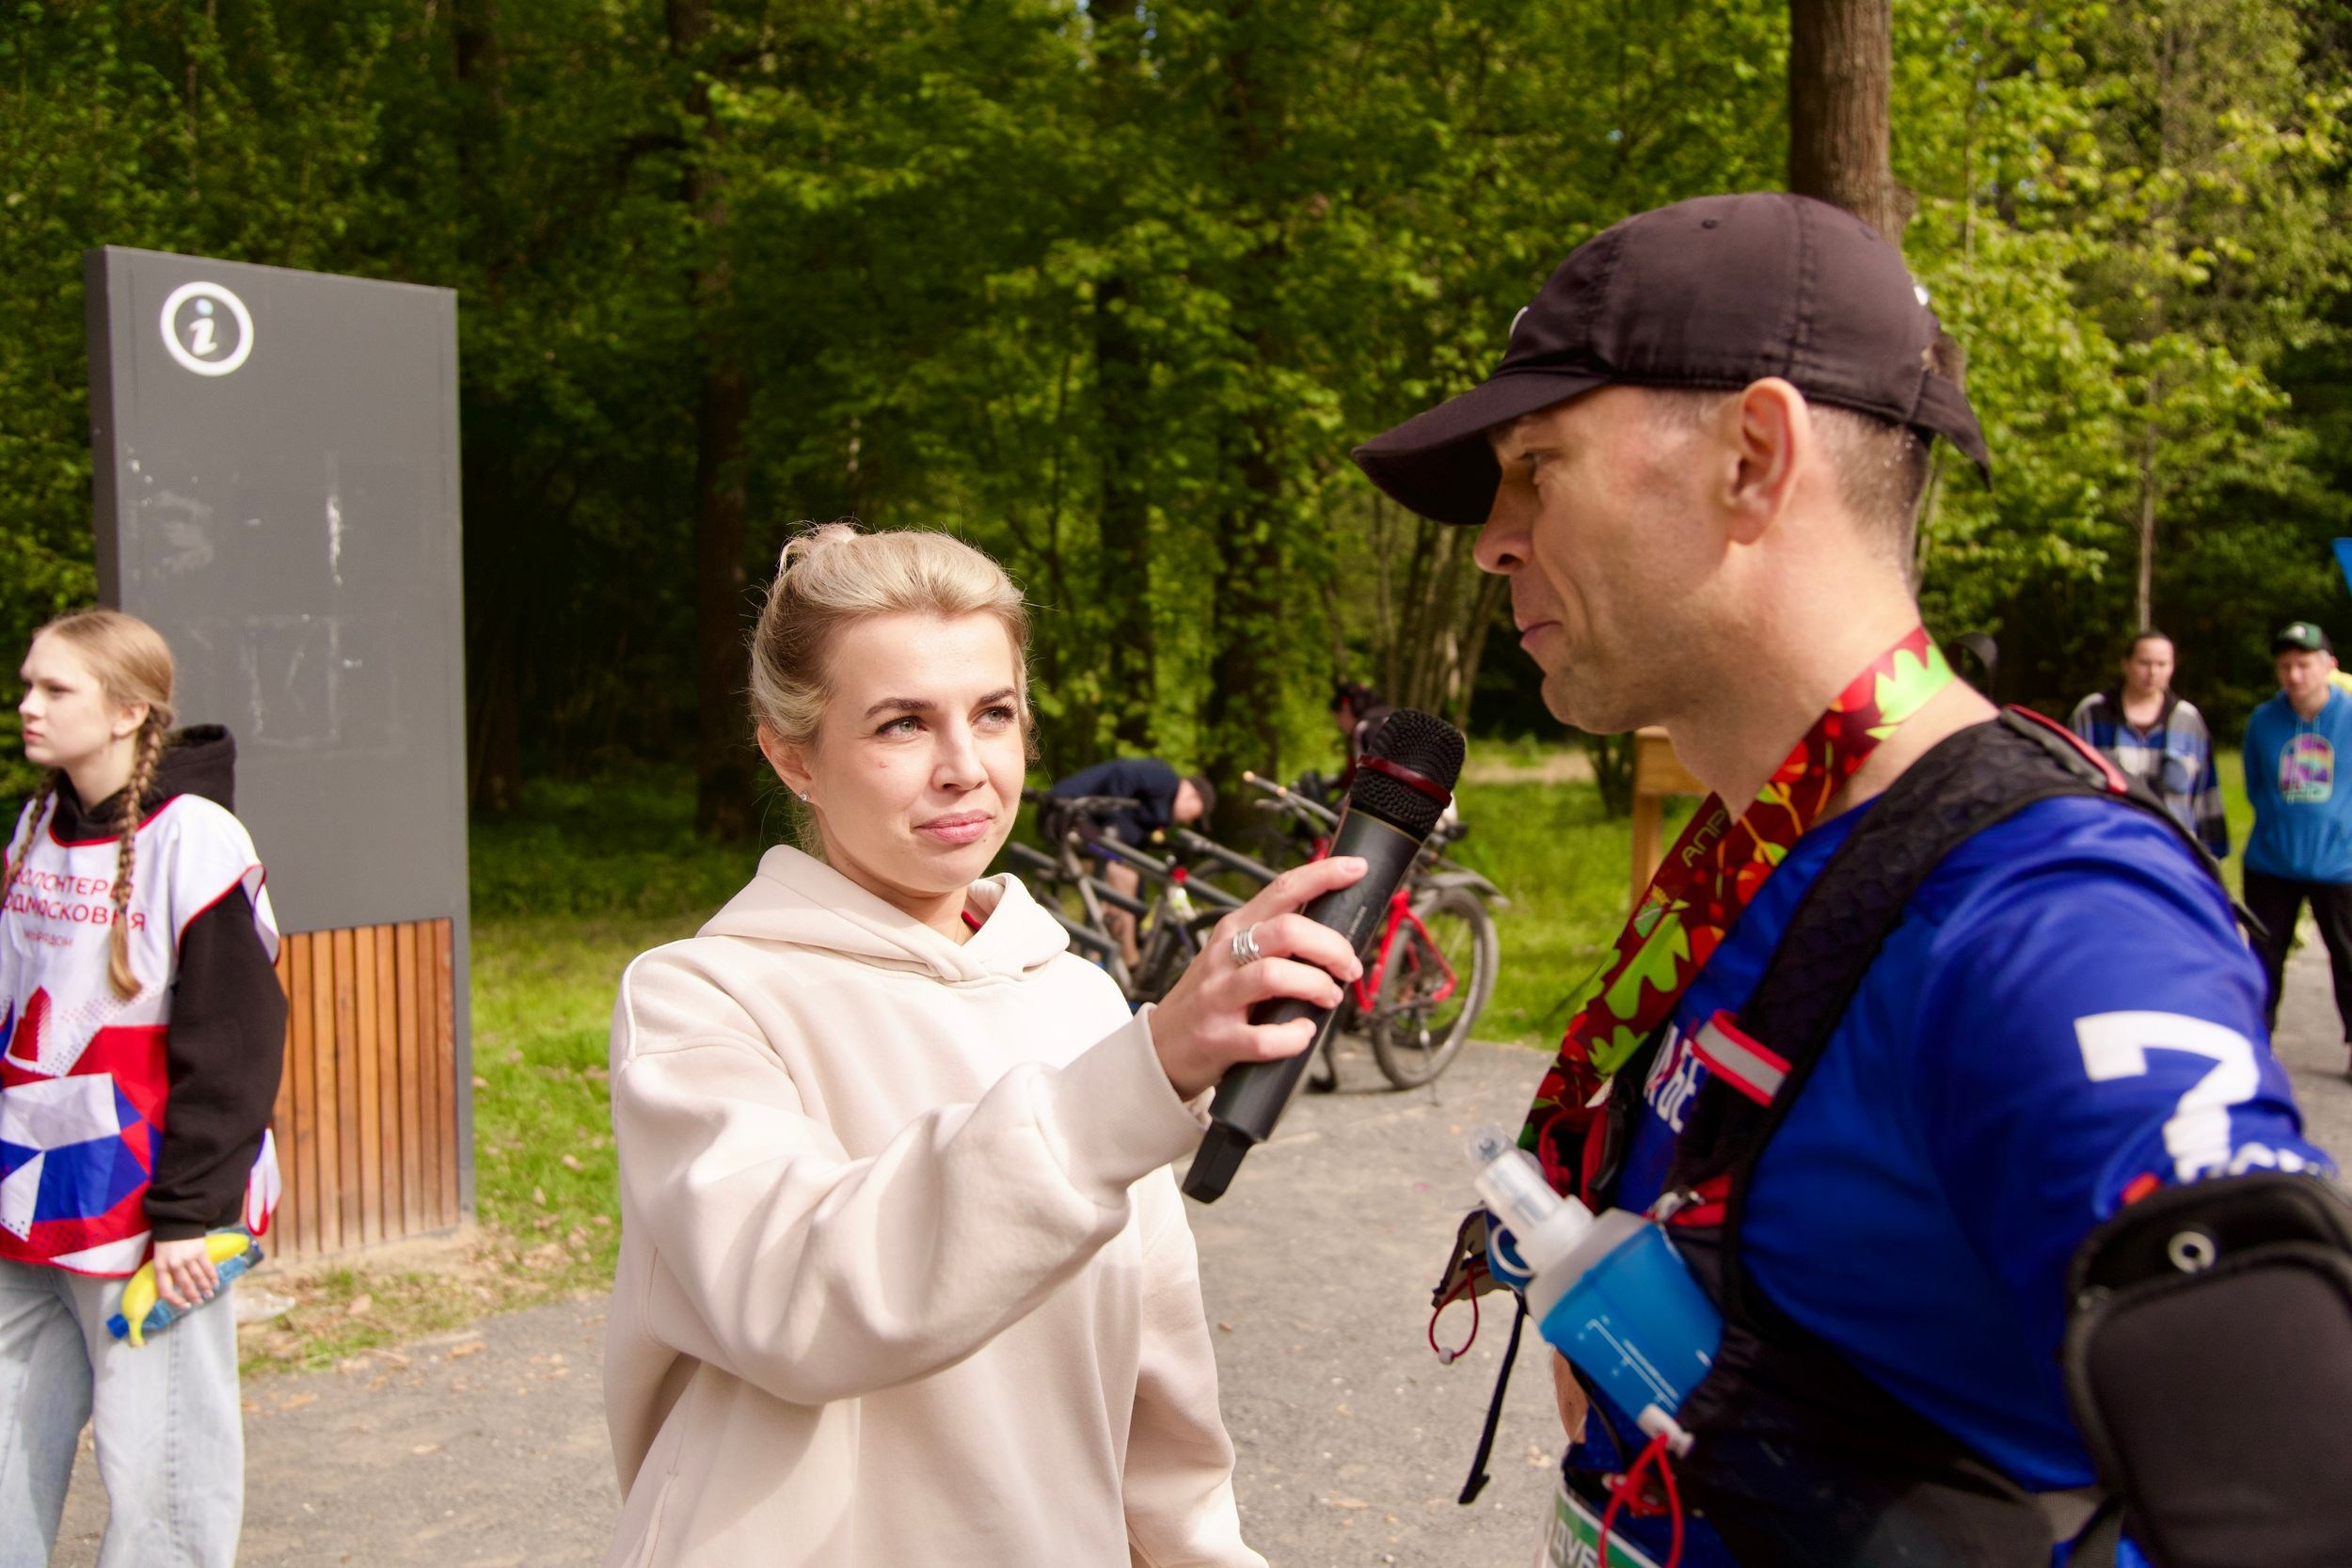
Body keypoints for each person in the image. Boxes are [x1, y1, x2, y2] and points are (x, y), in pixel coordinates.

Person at [1354, 192, 2342, 1566]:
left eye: (1540, 465)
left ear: (1755, 457)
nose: (1492, 538)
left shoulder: (2047, 911)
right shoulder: (1765, 853)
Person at [601, 525, 1369, 1567]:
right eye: (902, 723)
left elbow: (1157, 1370)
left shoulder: (1080, 999)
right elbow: (795, 1296)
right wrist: (1143, 1073)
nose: (964, 768)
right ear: (791, 755)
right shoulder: (702, 999)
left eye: (993, 713)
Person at [0, 609, 285, 1568]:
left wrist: (187, 1217)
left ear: (128, 712)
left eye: (55, 688)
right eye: (28, 683)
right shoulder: (35, 825)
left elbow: (234, 1044)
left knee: (162, 1476)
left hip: (149, 1216)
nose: (28, 705)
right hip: (28, 1204)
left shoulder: (196, 838)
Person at [2242, 620, 2352, 1063]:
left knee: (2349, 961)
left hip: (2341, 864)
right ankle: (2255, 1042)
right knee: (2264, 960)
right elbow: (2255, 784)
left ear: (2329, 666)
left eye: (2304, 664)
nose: (2294, 675)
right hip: (2272, 862)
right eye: (2285, 666)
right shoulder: (2263, 721)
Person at [2067, 629, 2229, 860]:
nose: (2153, 672)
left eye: (2162, 664)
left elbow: (2206, 792)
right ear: (2125, 664)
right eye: (2144, 663)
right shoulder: (2091, 714)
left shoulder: (2188, 720)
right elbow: (2069, 785)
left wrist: (2211, 855)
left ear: (2172, 667)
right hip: (2108, 850)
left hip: (2173, 853)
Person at [1044, 756, 1214, 966]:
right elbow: (1124, 774)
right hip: (1065, 809)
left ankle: (1111, 952)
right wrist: (1113, 824)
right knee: (1124, 876)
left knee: (1130, 878)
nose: (1188, 822)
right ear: (1193, 795)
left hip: (1081, 819)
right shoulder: (1165, 779)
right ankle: (1128, 960)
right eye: (1195, 817)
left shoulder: (1158, 806)